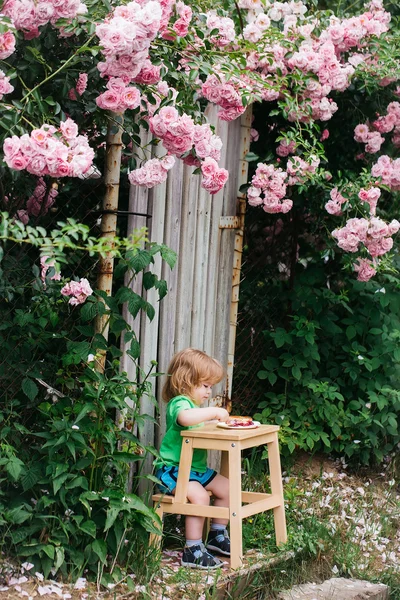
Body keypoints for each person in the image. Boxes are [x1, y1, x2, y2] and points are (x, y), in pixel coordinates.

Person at [154, 348, 231, 569]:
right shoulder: (180, 403)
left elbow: (197, 422)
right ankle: (193, 549)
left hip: (195, 470)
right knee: (200, 496)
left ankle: (216, 535)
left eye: (210, 386)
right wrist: (214, 413)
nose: (209, 392)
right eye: (205, 386)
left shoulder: (195, 407)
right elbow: (185, 419)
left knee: (227, 488)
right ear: (187, 381)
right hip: (174, 470)